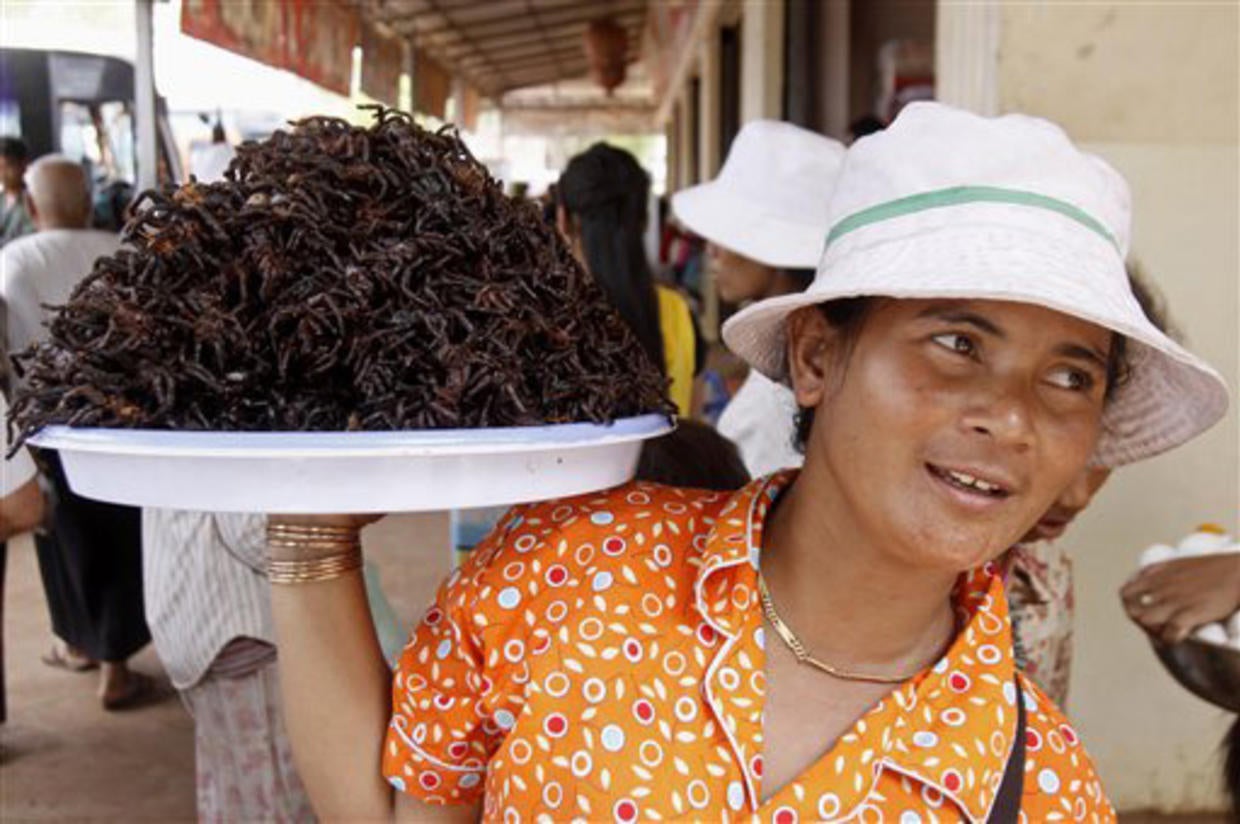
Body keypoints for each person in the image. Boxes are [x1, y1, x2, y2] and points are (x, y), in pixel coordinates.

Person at [264, 103, 1229, 821]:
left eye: (1070, 377)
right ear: (817, 357)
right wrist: (306, 543)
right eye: (957, 344)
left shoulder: (1045, 789)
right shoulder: (567, 571)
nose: (1012, 419)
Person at [1, 155, 152, 710]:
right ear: (88, 202)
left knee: (66, 545)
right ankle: (113, 664)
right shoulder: (122, 252)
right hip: (126, 427)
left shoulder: (11, 261)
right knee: (121, 541)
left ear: (31, 206)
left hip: (46, 431)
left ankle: (88, 652)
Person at [671, 120, 845, 476]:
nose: (712, 251)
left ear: (771, 251)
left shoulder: (771, 406)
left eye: (727, 234)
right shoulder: (830, 360)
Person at [141, 510, 315, 821]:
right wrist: (334, 548)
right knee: (273, 791)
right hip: (240, 621)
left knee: (232, 784)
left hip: (194, 614)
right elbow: (252, 534)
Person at [557, 144, 701, 415]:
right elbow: (691, 422)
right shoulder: (678, 313)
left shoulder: (544, 318)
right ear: (645, 222)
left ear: (562, 220)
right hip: (664, 458)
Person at [0, 137, 34, 246]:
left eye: (7, 166)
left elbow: (27, 239)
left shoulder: (34, 202)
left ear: (24, 165)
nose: (2, 174)